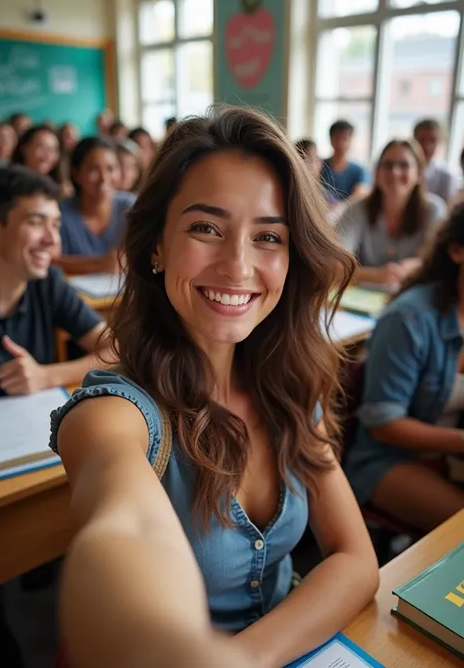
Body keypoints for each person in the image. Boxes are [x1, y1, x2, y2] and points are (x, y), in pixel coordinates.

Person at [50, 106, 378, 668]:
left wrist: (247, 659)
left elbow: (355, 559)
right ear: (154, 246)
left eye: (269, 236)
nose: (238, 265)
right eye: (206, 228)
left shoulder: (289, 386)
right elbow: (125, 531)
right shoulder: (115, 414)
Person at [345, 203, 464, 532]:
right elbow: (385, 425)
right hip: (387, 457)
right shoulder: (409, 318)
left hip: (449, 454)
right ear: (456, 251)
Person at [0, 166, 114, 399]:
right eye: (36, 223)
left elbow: (115, 351)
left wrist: (44, 376)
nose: (52, 240)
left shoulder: (47, 283)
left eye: (56, 225)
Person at [336, 139, 447, 289]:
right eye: (387, 165)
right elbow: (335, 265)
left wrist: (413, 266)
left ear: (419, 174)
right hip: (358, 301)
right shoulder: (356, 209)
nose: (395, 172)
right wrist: (377, 275)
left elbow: (439, 263)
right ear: (377, 172)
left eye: (404, 165)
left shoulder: (434, 210)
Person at [57, 137, 135, 274]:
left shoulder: (130, 206)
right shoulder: (61, 214)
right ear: (76, 174)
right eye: (94, 169)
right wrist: (98, 264)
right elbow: (50, 261)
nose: (104, 178)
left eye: (111, 168)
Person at [320, 120, 369, 201]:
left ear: (351, 141)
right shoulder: (319, 166)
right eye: (337, 138)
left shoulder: (359, 171)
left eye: (345, 139)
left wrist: (339, 208)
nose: (341, 143)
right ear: (331, 140)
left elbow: (359, 195)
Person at [414, 118, 458, 204]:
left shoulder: (446, 177)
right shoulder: (401, 172)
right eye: (422, 140)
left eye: (433, 140)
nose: (427, 146)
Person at [295, 139, 336, 205]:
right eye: (306, 160)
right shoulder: (293, 196)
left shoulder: (325, 194)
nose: (319, 163)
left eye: (312, 160)